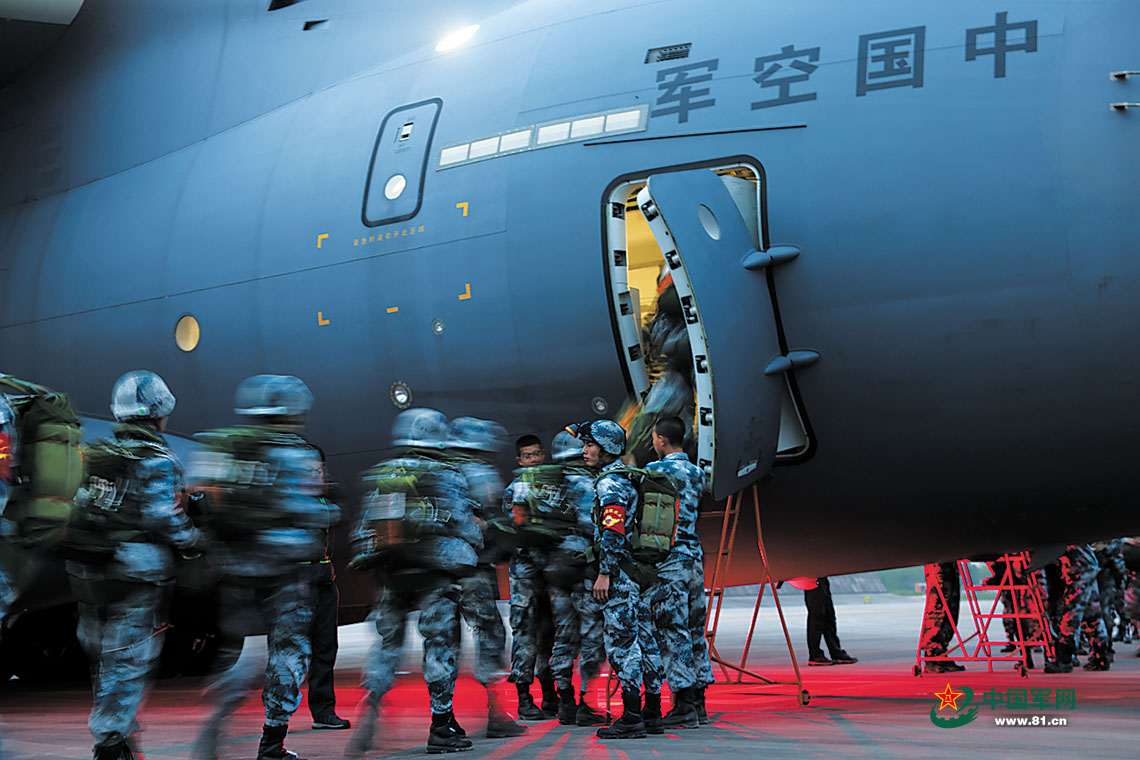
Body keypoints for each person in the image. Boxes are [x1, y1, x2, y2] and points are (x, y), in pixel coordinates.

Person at [191, 374, 337, 760]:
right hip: (286, 573)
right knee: (288, 653)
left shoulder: (230, 448)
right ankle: (272, 743)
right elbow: (309, 510)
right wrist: (330, 511)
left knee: (242, 651)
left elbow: (205, 498)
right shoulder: (297, 454)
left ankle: (220, 706)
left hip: (239, 570)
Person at [64, 370, 203, 760]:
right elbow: (164, 518)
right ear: (162, 412)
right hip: (134, 576)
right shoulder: (158, 458)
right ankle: (111, 744)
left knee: (104, 662)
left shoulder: (98, 453)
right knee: (127, 662)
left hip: (90, 573)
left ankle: (119, 737)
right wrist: (195, 541)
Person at [345, 408, 482, 757]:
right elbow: (463, 525)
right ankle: (442, 725)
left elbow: (364, 528)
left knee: (387, 645)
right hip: (433, 574)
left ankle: (372, 699)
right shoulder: (447, 474)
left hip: (392, 573)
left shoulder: (384, 472)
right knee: (438, 646)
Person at [445, 417, 525, 738]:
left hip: (440, 573)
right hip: (474, 571)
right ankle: (496, 712)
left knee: (444, 642)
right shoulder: (481, 474)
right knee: (490, 634)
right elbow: (495, 522)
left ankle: (443, 718)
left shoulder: (441, 472)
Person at [582, 419, 647, 740]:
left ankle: (632, 716)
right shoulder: (624, 478)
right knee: (633, 640)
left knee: (621, 644)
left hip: (618, 575)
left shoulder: (610, 484)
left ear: (606, 448)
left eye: (590, 445)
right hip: (630, 571)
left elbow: (613, 530)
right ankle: (642, 712)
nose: (584, 451)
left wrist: (605, 573)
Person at [545, 430, 607, 727]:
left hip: (556, 571)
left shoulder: (548, 485)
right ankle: (586, 702)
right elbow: (594, 527)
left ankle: (565, 700)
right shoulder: (587, 484)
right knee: (592, 633)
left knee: (563, 634)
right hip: (583, 570)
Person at [503, 434, 557, 720]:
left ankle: (550, 693)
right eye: (528, 456)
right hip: (525, 574)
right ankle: (524, 697)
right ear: (519, 460)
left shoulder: (554, 487)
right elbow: (517, 529)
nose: (534, 459)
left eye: (537, 454)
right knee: (525, 633)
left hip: (550, 573)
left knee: (550, 632)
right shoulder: (515, 490)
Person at [305, 449, 350, 731]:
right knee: (289, 651)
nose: (315, 476)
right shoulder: (288, 501)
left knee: (325, 647)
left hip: (324, 582)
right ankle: (276, 718)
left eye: (318, 470)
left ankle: (323, 711)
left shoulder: (326, 498)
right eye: (309, 471)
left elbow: (340, 513)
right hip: (295, 584)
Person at [1046, 544, 1110, 673]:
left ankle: (1065, 660)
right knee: (1092, 613)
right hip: (1087, 568)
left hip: (1079, 571)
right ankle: (1101, 657)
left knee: (1071, 611)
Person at [919, 561, 965, 673]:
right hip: (937, 563)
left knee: (950, 607)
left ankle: (940, 653)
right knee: (938, 606)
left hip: (948, 562)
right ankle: (931, 655)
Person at [803, 577, 858, 667]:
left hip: (820, 577)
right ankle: (815, 655)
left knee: (829, 615)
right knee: (817, 616)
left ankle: (836, 652)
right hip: (812, 578)